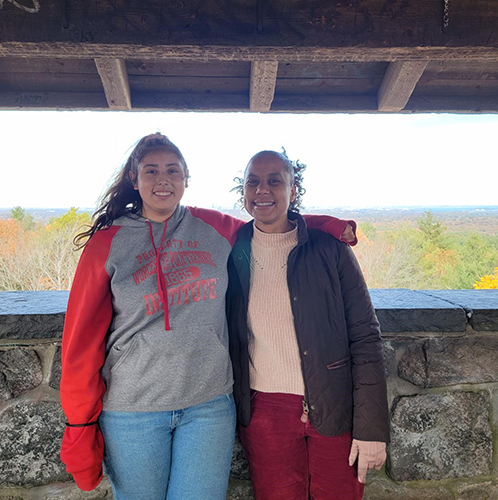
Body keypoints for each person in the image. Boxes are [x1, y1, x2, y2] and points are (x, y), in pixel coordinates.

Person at [59, 134, 356, 499]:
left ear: (187, 178)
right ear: (135, 180)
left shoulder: (216, 228)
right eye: (151, 171)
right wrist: (79, 420)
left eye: (173, 170)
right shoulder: (107, 242)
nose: (163, 179)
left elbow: (270, 221)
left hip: (208, 407)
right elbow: (81, 339)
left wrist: (327, 225)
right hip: (133, 412)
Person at [227, 150, 390, 500]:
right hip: (264, 413)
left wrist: (372, 429)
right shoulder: (231, 252)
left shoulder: (330, 250)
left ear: (293, 188)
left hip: (333, 406)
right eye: (252, 181)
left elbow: (365, 337)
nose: (262, 190)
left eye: (275, 180)